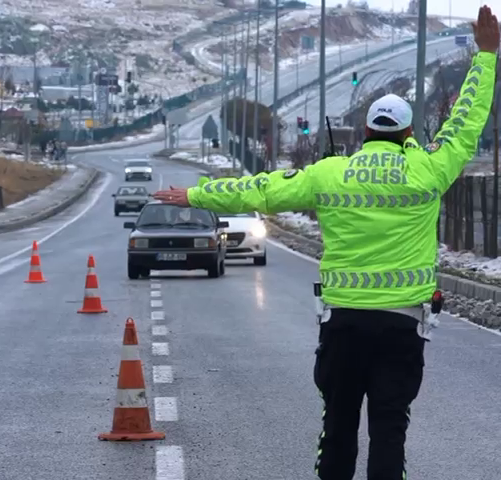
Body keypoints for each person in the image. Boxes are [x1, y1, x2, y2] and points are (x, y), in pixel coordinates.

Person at [153, 7, 499, 479]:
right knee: (389, 429)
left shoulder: (328, 173)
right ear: (408, 133)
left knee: (338, 426)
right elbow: (464, 122)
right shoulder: (429, 170)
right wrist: (486, 56)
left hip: (343, 325)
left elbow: (261, 188)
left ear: (366, 132)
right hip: (402, 325)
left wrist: (196, 193)